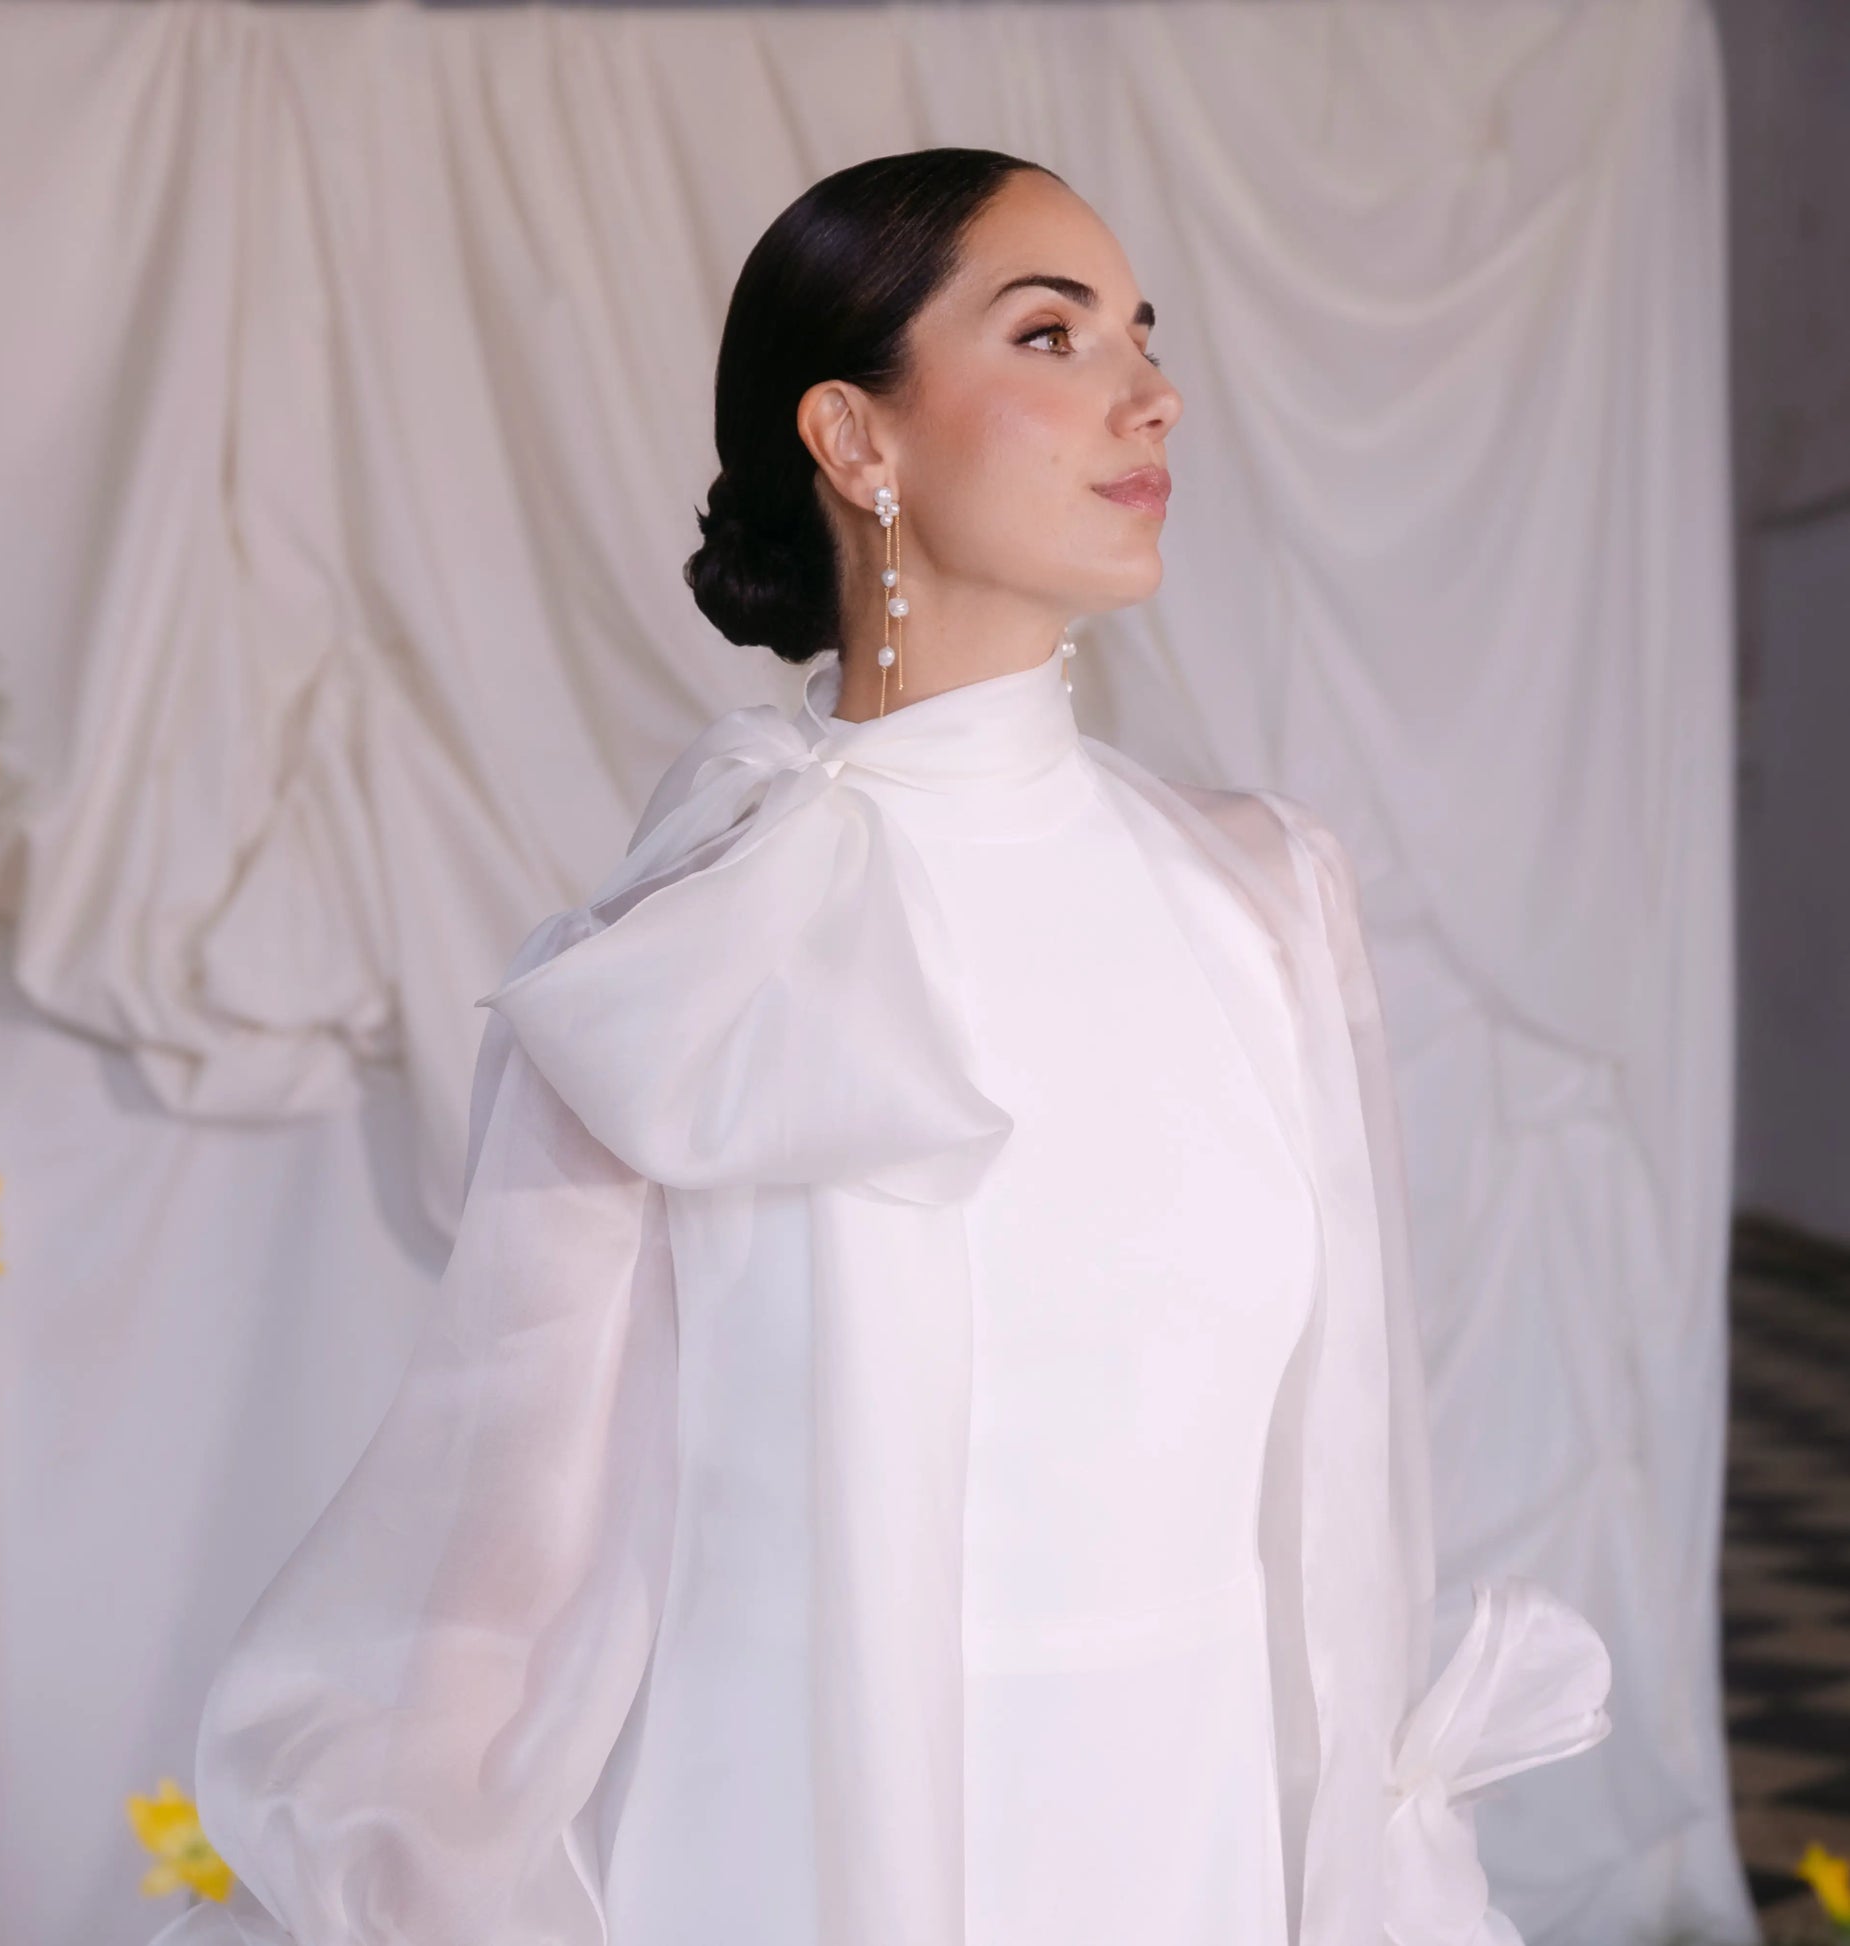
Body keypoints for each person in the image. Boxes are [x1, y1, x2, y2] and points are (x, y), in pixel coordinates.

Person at [151, 149, 1611, 1946]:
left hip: (1205, 1851)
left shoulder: (1264, 898)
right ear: (854, 437)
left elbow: (1344, 1512)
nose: (1150, 393)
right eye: (1052, 334)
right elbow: (487, 1588)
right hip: (794, 1870)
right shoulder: (686, 965)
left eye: (1141, 333)